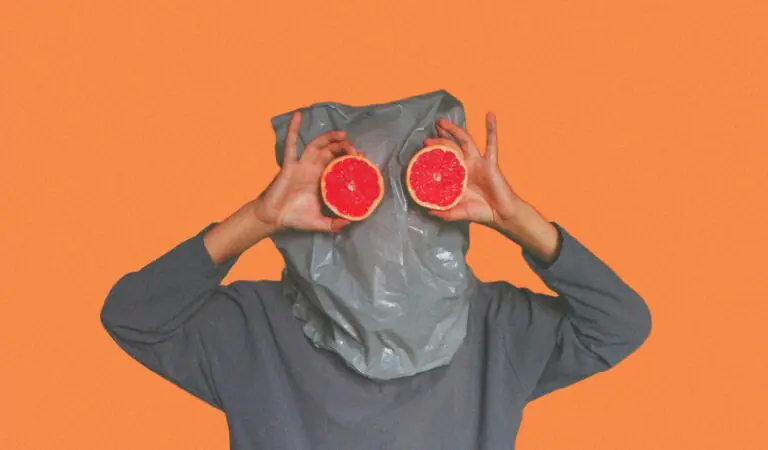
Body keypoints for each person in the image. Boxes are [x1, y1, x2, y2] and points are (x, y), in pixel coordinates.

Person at [101, 109, 652, 449]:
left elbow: (621, 323)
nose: (389, 219)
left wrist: (516, 217)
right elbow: (132, 316)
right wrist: (258, 218)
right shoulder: (255, 330)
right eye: (357, 186)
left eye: (409, 189)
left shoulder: (495, 329)